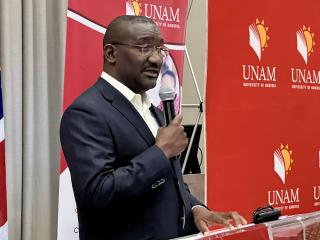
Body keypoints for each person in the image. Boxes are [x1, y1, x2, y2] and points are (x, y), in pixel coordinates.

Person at [60, 15, 247, 240]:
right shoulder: (86, 113)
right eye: (144, 48)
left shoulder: (154, 110)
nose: (157, 59)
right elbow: (98, 193)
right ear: (111, 54)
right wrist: (161, 152)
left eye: (160, 49)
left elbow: (167, 182)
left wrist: (196, 209)